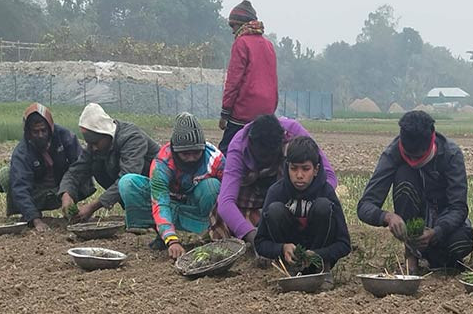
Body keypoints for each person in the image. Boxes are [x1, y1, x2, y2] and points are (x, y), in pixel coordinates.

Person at [357, 110, 473, 270]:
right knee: (405, 174)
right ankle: (411, 255)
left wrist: (436, 232)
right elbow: (365, 205)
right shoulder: (392, 154)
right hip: (415, 214)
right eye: (408, 156)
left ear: (432, 139)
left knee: (461, 244)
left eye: (418, 156)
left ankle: (433, 256)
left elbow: (459, 208)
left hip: (442, 220)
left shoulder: (451, 154)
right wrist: (387, 217)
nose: (413, 161)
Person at [217, 114, 335, 244]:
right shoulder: (238, 147)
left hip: (289, 196)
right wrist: (251, 235)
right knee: (224, 220)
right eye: (262, 157)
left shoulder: (293, 133)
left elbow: (329, 176)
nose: (266, 161)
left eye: (270, 157)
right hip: (252, 197)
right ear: (251, 144)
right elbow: (225, 202)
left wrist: (309, 206)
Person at [118, 113, 224, 258]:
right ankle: (160, 233)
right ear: (175, 151)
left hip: (196, 205)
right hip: (169, 201)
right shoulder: (162, 163)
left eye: (196, 153)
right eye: (186, 154)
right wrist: (171, 239)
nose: (191, 158)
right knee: (128, 183)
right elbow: (160, 202)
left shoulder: (216, 159)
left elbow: (231, 194)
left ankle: (210, 232)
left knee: (212, 186)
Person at [254, 136, 351, 271]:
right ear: (287, 167)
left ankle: (321, 269)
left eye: (305, 169)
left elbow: (344, 244)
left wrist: (319, 254)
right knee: (275, 209)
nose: (299, 175)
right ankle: (291, 267)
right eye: (294, 168)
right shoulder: (276, 192)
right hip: (289, 256)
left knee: (323, 206)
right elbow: (260, 243)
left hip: (320, 254)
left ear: (316, 169)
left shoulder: (326, 191)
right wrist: (282, 248)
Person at [59, 103, 161, 223]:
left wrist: (92, 207)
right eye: (90, 144)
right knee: (98, 167)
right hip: (135, 184)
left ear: (107, 135)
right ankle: (134, 210)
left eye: (96, 142)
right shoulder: (95, 147)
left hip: (157, 186)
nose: (93, 148)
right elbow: (75, 172)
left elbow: (128, 177)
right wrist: (66, 195)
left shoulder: (132, 138)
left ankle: (147, 213)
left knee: (127, 180)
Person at [0, 103, 81, 232]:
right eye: (35, 131)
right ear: (28, 132)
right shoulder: (22, 152)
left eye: (43, 130)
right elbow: (20, 187)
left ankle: (70, 211)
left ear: (50, 128)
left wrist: (68, 192)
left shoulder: (65, 137)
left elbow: (80, 166)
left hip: (62, 187)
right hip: (38, 192)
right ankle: (28, 213)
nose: (40, 135)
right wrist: (36, 220)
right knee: (6, 174)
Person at [219, 0, 278, 153]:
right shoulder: (268, 45)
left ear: (242, 24)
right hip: (267, 110)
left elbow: (233, 81)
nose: (232, 30)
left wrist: (225, 113)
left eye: (233, 25)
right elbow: (273, 80)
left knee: (227, 151)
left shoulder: (241, 43)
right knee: (259, 152)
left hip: (245, 109)